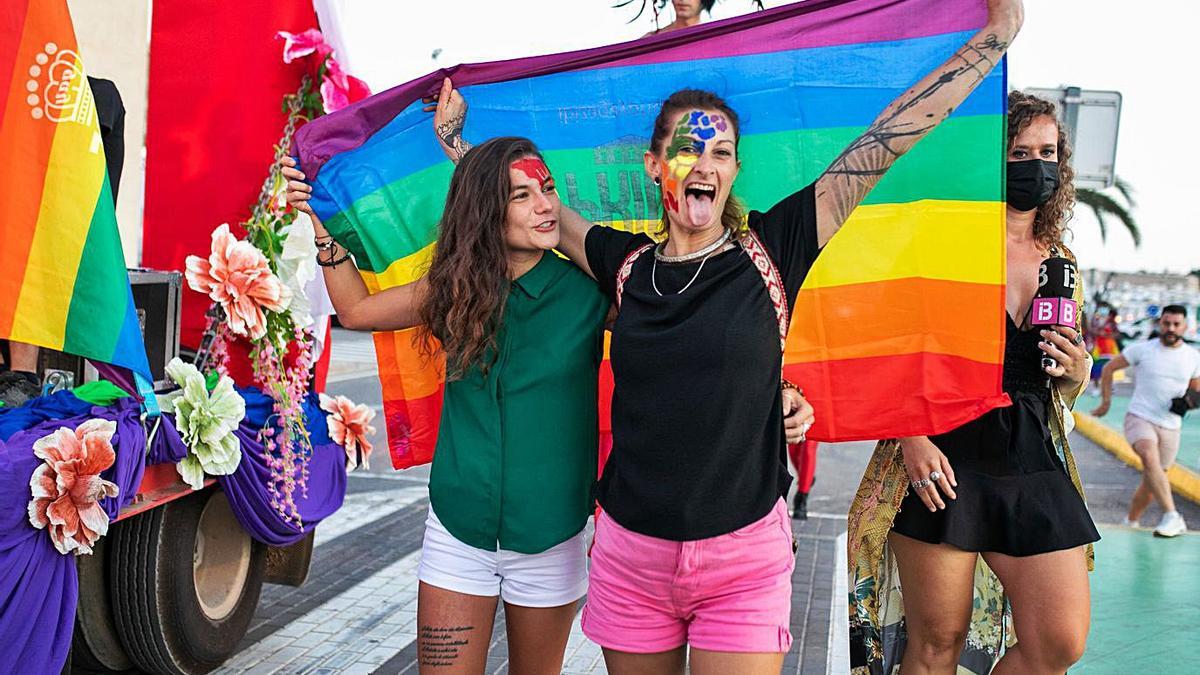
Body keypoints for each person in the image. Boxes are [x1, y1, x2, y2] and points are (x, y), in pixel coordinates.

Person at [420, 1, 1023, 671]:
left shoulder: (776, 246)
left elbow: (887, 140)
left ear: (734, 171)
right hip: (631, 556)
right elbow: (524, 202)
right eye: (686, 148)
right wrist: (456, 147)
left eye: (721, 151)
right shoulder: (625, 266)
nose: (703, 163)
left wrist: (991, 43)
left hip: (742, 560)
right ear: (653, 165)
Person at [282, 135, 811, 673]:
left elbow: (692, 350)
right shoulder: (453, 289)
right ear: (488, 211)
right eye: (522, 195)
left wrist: (781, 390)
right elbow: (357, 310)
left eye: (549, 189)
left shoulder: (592, 293)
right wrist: (323, 230)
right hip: (457, 532)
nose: (545, 205)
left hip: (550, 539)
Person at [848, 90, 1098, 675]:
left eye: (1048, 152)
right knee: (936, 647)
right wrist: (910, 435)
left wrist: (1079, 371)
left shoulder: (1061, 261)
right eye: (1018, 151)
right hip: (942, 457)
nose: (1036, 166)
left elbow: (1057, 381)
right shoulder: (942, 245)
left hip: (1031, 455)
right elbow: (890, 349)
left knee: (1059, 643)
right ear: (991, 157)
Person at [1092, 305, 1200, 537]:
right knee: (1149, 457)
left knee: (1153, 481)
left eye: (1176, 324)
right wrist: (1106, 402)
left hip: (1171, 425)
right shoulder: (1142, 349)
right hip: (1140, 417)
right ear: (1159, 323)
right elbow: (1109, 368)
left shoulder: (1193, 357)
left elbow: (1195, 392)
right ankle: (1173, 515)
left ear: (1185, 327)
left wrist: (1189, 402)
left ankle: (1131, 520)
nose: (1170, 328)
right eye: (1166, 323)